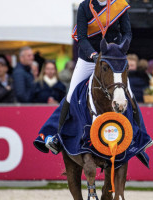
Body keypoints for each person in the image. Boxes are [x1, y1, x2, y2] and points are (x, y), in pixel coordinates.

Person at [45, 0, 132, 154]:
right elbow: (82, 37)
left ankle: (139, 137)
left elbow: (127, 33)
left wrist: (121, 48)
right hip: (89, 57)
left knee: (128, 94)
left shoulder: (119, 4)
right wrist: (92, 54)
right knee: (71, 94)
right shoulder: (85, 6)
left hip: (112, 60)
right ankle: (56, 135)